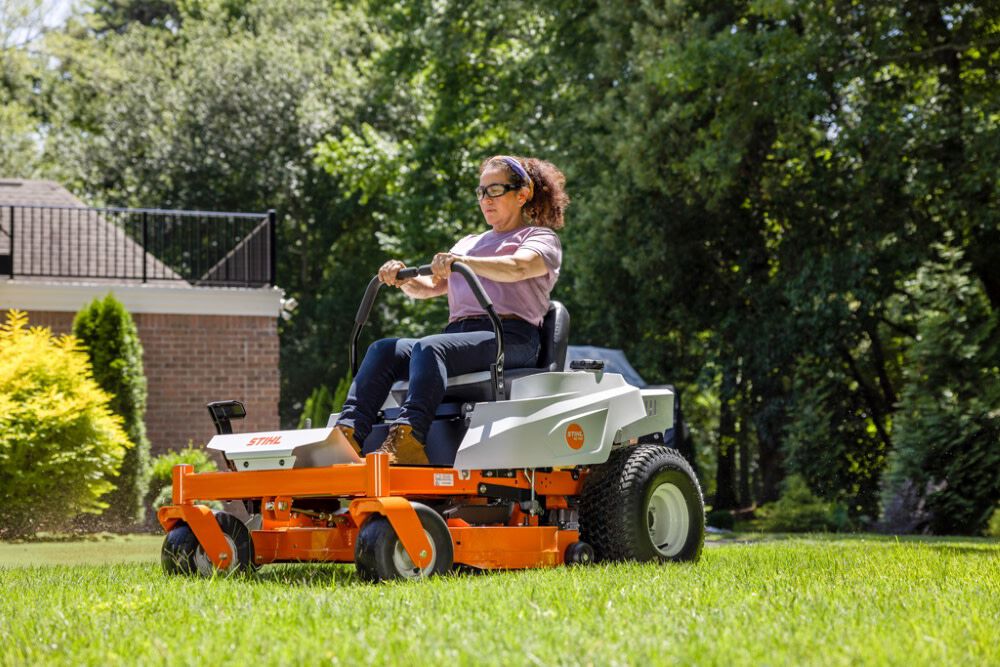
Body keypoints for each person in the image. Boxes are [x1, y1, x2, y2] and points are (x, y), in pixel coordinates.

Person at [332, 155, 569, 464]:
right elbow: (429, 286)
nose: (485, 199)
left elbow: (517, 267)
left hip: (511, 337)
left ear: (522, 194)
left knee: (432, 348)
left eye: (494, 190)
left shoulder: (538, 238)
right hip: (460, 337)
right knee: (383, 350)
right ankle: (347, 436)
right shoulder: (467, 243)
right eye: (481, 192)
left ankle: (409, 439)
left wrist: (464, 263)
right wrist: (401, 278)